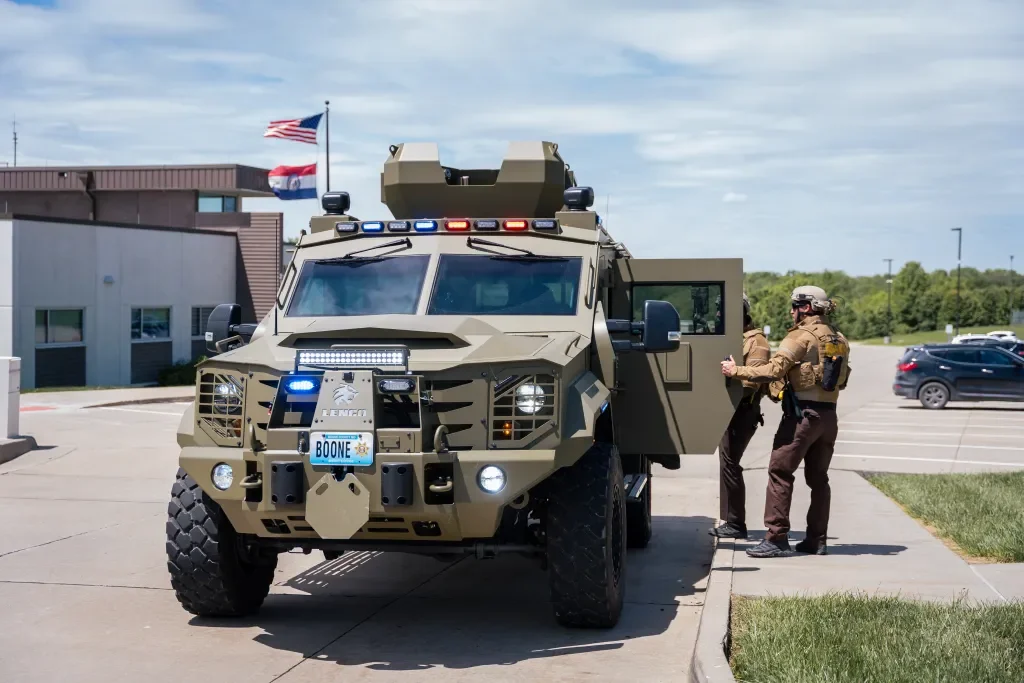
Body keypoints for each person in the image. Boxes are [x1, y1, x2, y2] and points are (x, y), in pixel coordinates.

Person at [720, 285, 851, 558]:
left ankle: (776, 538)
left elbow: (773, 369)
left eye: (794, 307)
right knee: (819, 479)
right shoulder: (838, 338)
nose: (791, 312)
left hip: (802, 417)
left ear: (805, 308)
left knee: (779, 473)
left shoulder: (801, 337)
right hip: (829, 416)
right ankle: (817, 539)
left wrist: (735, 371)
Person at [710, 293, 770, 540]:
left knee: (731, 464)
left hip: (743, 410)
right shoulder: (732, 339)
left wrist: (732, 373)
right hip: (730, 410)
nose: (717, 315)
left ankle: (736, 523)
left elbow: (753, 381)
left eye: (722, 311)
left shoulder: (756, 342)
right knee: (727, 464)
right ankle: (731, 521)